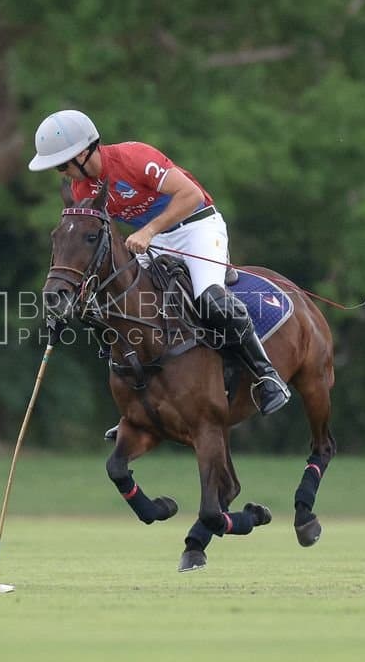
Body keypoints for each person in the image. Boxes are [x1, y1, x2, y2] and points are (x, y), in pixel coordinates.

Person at [28, 109, 290, 433]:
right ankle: (138, 406)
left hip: (197, 227)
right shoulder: (81, 189)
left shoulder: (134, 157)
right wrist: (75, 294)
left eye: (62, 165)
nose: (61, 172)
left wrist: (149, 231)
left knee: (210, 299)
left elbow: (191, 194)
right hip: (156, 240)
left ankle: (266, 376)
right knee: (122, 305)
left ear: (82, 153)